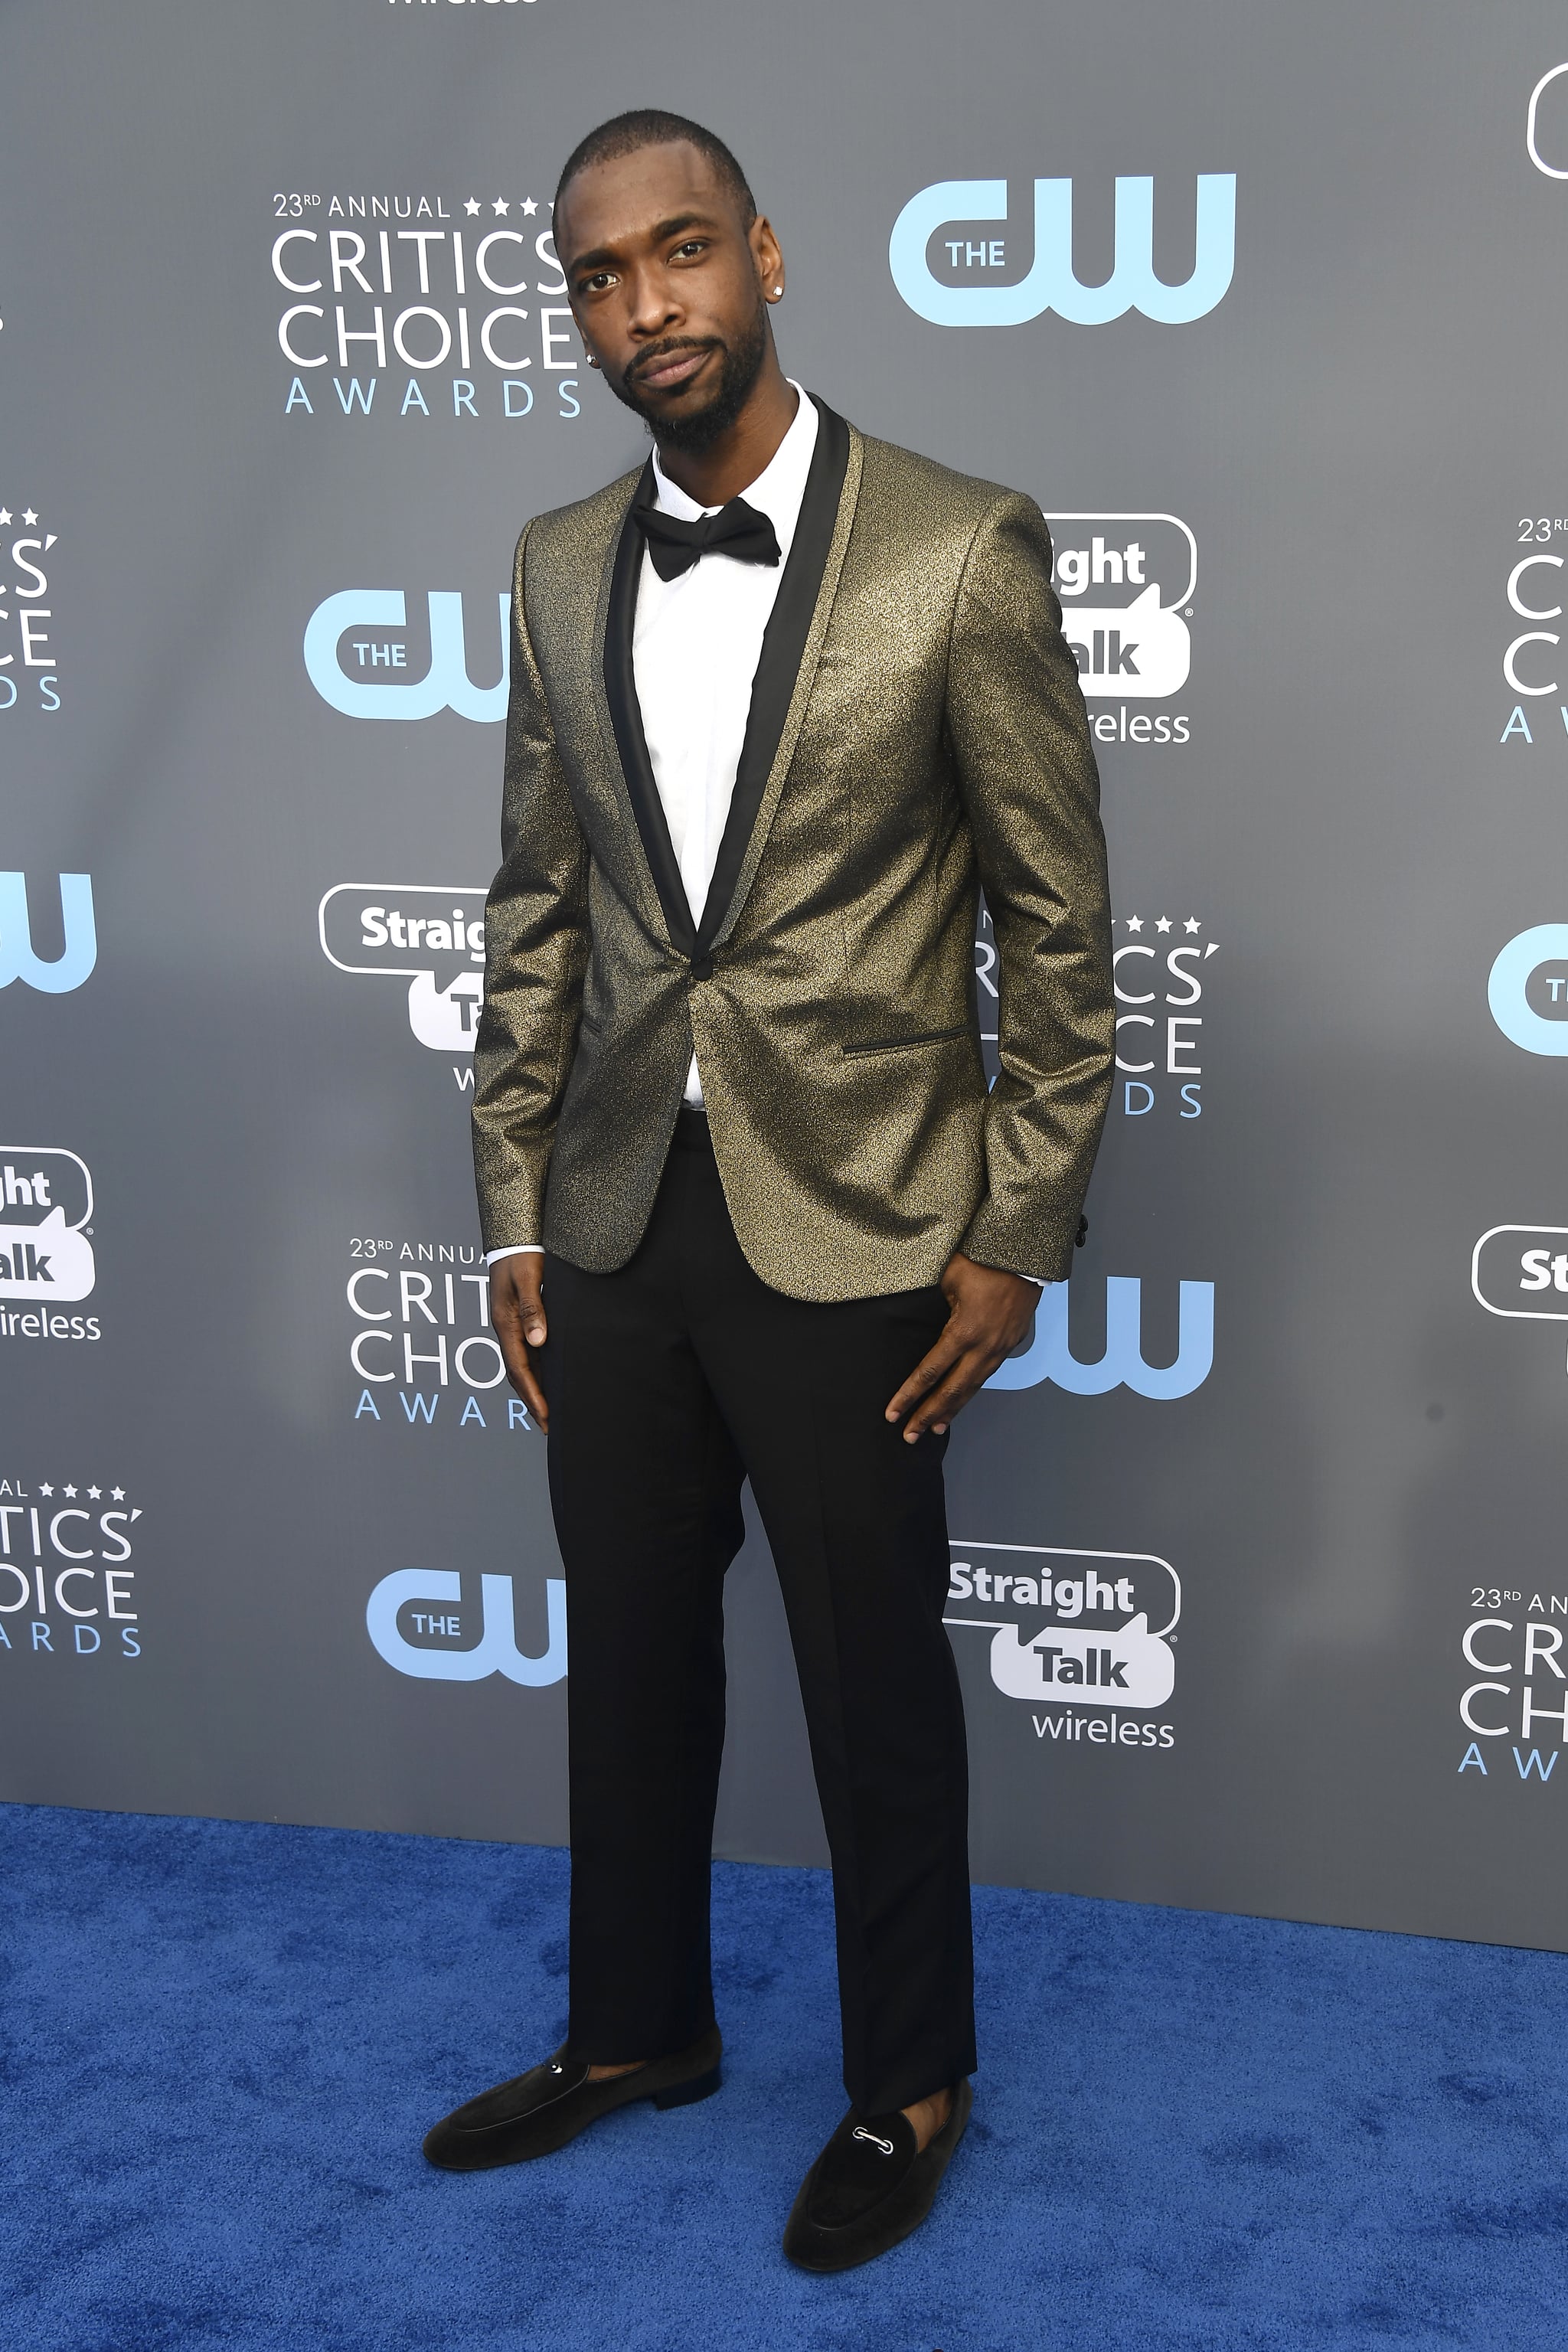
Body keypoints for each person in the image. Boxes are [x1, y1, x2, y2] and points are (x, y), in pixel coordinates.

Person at [423, 108, 1113, 2272]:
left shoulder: (957, 543)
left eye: (683, 253)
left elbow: (1059, 929)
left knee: (867, 1679)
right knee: (629, 1654)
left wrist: (1013, 1232)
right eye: (604, 277)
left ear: (769, 257)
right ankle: (638, 2029)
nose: (649, 306)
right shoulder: (552, 565)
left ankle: (909, 2081)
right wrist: (517, 1214)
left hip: (865, 1216)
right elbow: (536, 909)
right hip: (623, 1208)